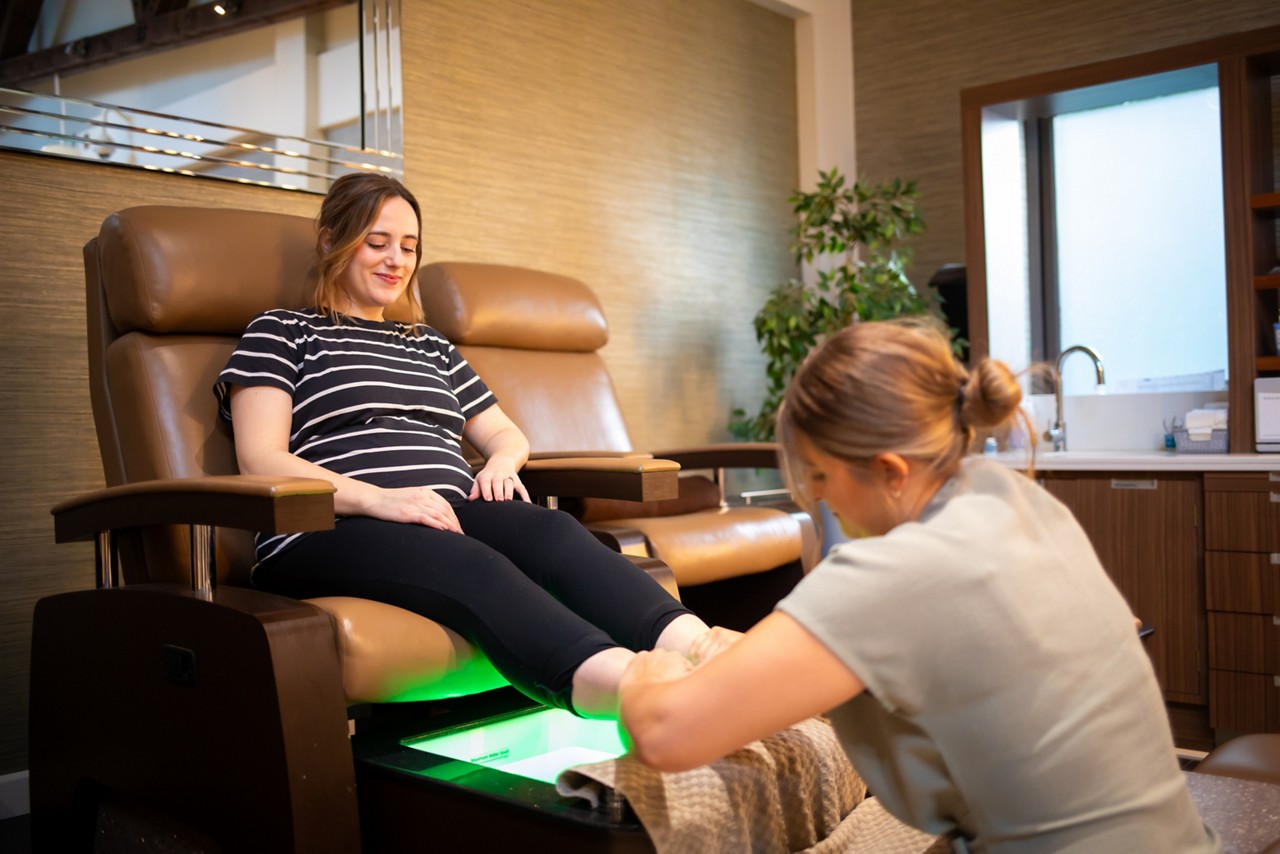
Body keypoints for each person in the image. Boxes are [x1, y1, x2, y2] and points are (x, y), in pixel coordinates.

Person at [619, 319, 1219, 852]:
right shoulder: (1011, 496)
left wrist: (648, 676)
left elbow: (665, 734)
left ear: (890, 472)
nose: (818, 495)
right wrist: (759, 661)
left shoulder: (894, 573)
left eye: (821, 474)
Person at [214, 172, 710, 718]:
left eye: (409, 247)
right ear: (332, 240)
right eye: (376, 243)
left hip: (444, 512)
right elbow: (261, 458)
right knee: (471, 561)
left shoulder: (429, 345)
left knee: (553, 530)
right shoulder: (282, 332)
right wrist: (381, 499)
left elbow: (504, 432)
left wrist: (501, 463)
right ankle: (630, 692)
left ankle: (705, 653)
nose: (395, 261)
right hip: (328, 527)